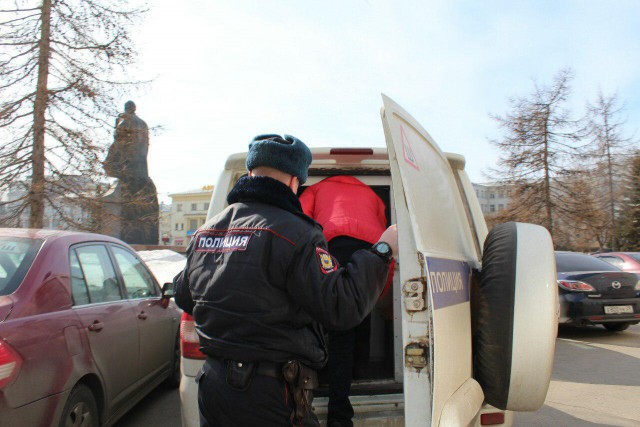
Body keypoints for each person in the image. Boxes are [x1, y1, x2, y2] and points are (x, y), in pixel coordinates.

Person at [173, 134, 398, 427]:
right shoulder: (297, 233)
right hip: (268, 394)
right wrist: (382, 251)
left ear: (250, 172)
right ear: (295, 181)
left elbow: (184, 295)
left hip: (213, 388)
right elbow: (341, 307)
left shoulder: (206, 232)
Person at [300, 176, 391, 427]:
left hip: (330, 245)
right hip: (370, 248)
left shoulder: (317, 188)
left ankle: (337, 411)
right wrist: (381, 299)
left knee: (332, 326)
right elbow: (385, 237)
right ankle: (357, 370)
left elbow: (299, 220)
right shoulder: (372, 195)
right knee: (358, 313)